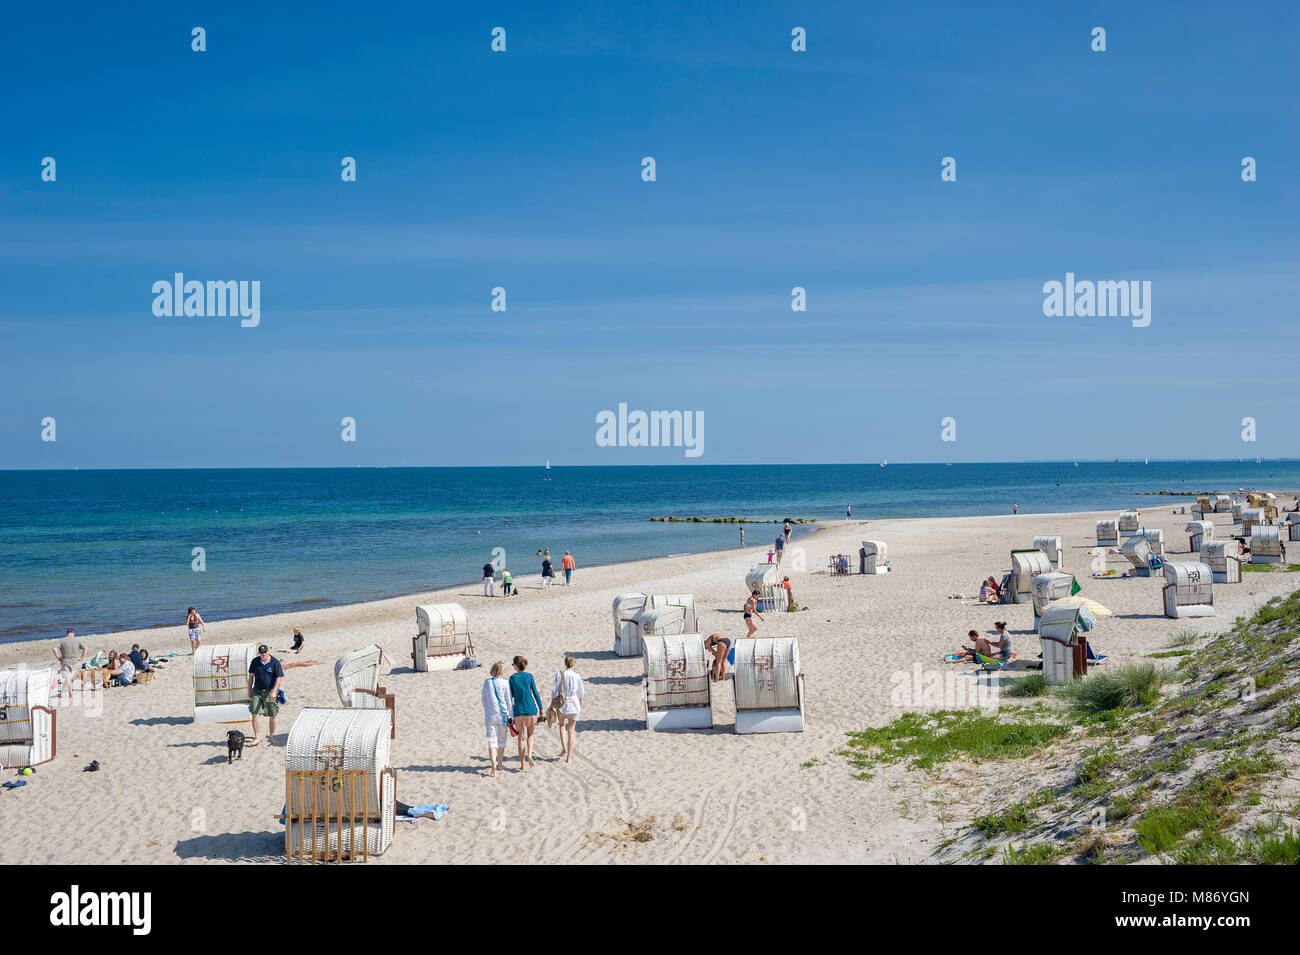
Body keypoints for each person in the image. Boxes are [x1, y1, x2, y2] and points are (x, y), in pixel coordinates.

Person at [509, 656, 544, 770]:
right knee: (531, 734)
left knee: (521, 738)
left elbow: (511, 696)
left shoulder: (512, 678)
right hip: (531, 709)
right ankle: (529, 755)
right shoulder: (529, 676)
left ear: (516, 665)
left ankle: (522, 765)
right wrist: (541, 709)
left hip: (519, 710)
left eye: (513, 664)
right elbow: (535, 693)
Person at [246, 644, 284, 746]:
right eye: (261, 653)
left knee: (272, 714)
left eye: (265, 652)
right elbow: (250, 677)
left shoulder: (275, 662)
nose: (263, 654)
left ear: (268, 652)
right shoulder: (255, 661)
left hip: (270, 691)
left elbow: (279, 678)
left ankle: (271, 736)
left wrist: (274, 692)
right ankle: (257, 737)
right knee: (254, 713)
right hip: (257, 691)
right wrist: (249, 691)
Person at [481, 661, 514, 777]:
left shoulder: (487, 682)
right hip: (503, 715)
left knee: (492, 740)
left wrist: (488, 710)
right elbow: (509, 701)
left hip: (490, 715)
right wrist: (512, 716)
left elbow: (484, 700)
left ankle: (493, 764)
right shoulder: (505, 683)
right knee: (501, 740)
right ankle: (500, 763)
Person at [551, 655, 585, 763]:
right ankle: (569, 757)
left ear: (565, 663)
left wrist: (552, 702)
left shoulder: (560, 674)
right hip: (574, 703)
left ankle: (564, 748)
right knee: (571, 731)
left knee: (561, 725)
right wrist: (580, 699)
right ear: (573, 664)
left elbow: (554, 691)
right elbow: (581, 691)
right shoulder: (577, 676)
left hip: (562, 703)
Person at [53, 628, 86, 698]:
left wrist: (58, 657)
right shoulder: (77, 640)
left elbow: (54, 649)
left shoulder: (62, 640)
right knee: (68, 678)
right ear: (74, 633)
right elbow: (86, 648)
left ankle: (70, 693)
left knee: (67, 679)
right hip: (75, 662)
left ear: (66, 633)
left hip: (65, 662)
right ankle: (61, 693)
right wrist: (81, 657)